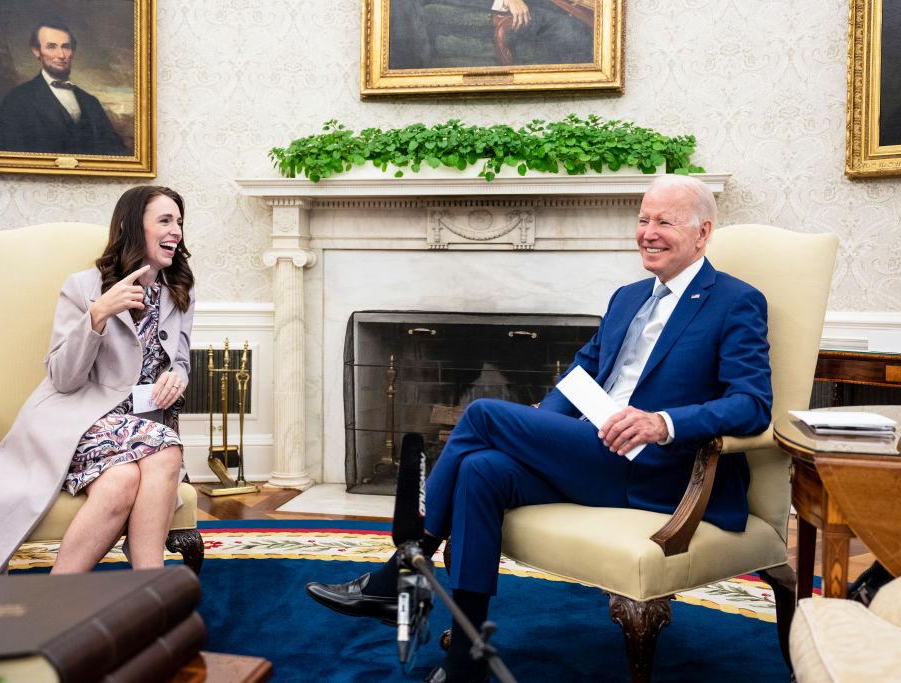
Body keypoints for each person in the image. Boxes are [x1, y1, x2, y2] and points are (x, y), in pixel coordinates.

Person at [306, 174, 773, 682]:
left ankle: (401, 570)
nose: (647, 232)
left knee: (483, 414)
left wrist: (662, 423)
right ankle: (465, 659)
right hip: (592, 451)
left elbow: (752, 404)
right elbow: (579, 377)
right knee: (483, 469)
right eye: (642, 220)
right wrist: (533, 436)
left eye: (665, 221)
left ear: (702, 233)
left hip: (661, 469)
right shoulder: (628, 297)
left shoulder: (735, 300)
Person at [0, 185, 195, 577]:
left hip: (140, 425)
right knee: (167, 449)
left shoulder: (179, 289)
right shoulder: (83, 287)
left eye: (178, 221)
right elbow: (63, 377)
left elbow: (180, 359)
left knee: (122, 480)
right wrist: (97, 315)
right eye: (165, 221)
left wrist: (177, 375)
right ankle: (154, 587)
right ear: (134, 227)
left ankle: (56, 597)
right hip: (77, 420)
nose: (176, 230)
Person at [0, 19, 129, 155]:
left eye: (66, 46)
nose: (61, 55)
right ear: (37, 51)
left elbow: (115, 151)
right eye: (51, 47)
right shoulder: (17, 100)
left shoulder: (90, 102)